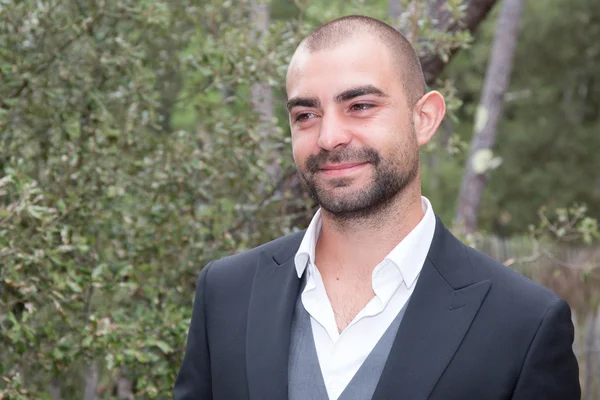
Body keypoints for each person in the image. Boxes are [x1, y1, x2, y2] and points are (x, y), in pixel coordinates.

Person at [174, 15, 580, 400]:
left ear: (424, 118)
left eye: (361, 106)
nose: (329, 136)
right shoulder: (226, 294)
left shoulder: (524, 325)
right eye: (306, 114)